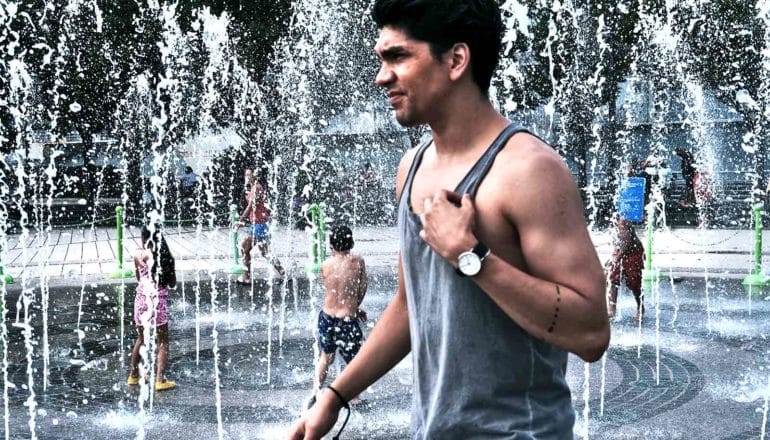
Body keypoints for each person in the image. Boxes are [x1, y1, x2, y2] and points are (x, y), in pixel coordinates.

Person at [288, 1, 609, 439]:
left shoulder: (528, 171)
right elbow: (408, 307)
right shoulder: (411, 167)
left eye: (398, 57)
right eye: (382, 59)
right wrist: (334, 396)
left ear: (456, 60)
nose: (382, 76)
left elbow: (591, 332)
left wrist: (471, 255)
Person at [308, 225, 368, 408]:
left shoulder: (325, 265)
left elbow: (332, 290)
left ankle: (316, 390)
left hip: (326, 317)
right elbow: (361, 288)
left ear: (331, 245)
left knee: (326, 356)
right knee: (354, 360)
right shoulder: (357, 262)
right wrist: (356, 308)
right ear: (351, 243)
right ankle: (354, 396)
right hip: (347, 319)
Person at [128, 225, 177, 391]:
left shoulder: (138, 256)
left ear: (143, 239)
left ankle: (133, 376)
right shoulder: (166, 257)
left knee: (141, 339)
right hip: (158, 304)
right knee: (163, 342)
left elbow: (138, 278)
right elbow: (172, 283)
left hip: (141, 302)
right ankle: (160, 380)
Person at [235, 168, 285, 283]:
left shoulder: (256, 188)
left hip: (259, 225)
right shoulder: (252, 188)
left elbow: (250, 206)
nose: (247, 177)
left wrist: (240, 221)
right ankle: (283, 272)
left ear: (254, 176)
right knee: (266, 253)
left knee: (244, 247)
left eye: (249, 175)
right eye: (245, 175)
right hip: (258, 224)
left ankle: (246, 278)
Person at [606, 216, 645, 321]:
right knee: (613, 278)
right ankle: (612, 308)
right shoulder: (613, 226)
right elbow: (616, 246)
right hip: (621, 251)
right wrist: (611, 259)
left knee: (634, 281)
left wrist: (616, 259)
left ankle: (640, 307)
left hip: (633, 252)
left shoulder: (623, 223)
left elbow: (625, 245)